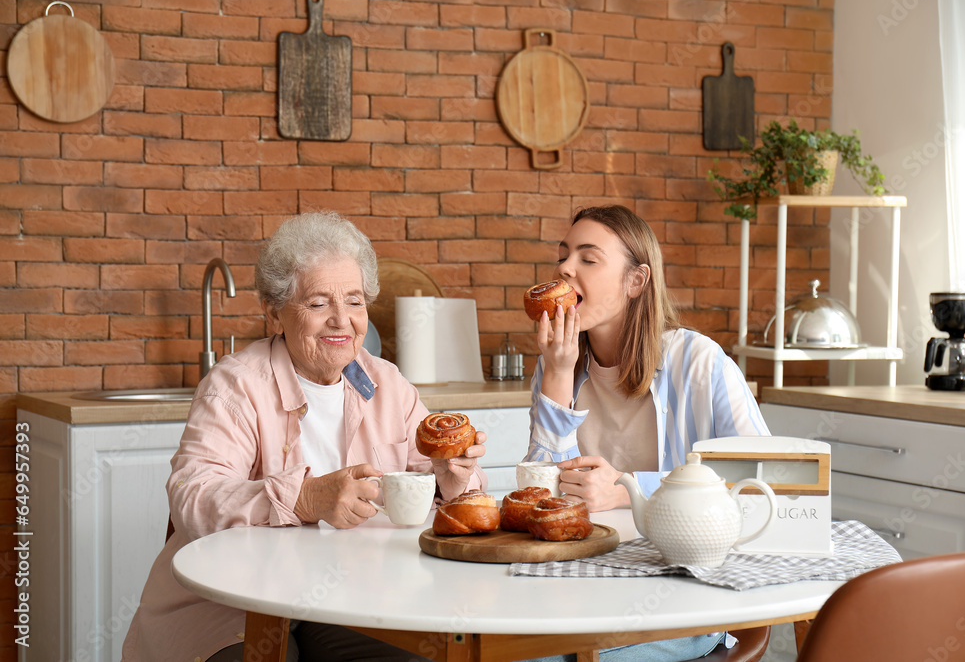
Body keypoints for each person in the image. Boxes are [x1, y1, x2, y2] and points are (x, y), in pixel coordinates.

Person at [123, 212, 486, 662]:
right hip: (233, 601)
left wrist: (452, 483)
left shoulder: (388, 384)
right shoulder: (236, 385)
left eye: (354, 301)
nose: (342, 321)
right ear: (274, 313)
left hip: (351, 596)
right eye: (318, 304)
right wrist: (303, 499)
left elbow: (434, 486)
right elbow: (193, 495)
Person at [526, 204, 769, 661]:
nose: (564, 267)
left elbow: (762, 485)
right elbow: (544, 501)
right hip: (583, 588)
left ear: (636, 281)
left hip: (686, 598)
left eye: (587, 258)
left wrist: (628, 490)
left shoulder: (700, 363)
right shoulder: (555, 364)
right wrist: (557, 375)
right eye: (563, 255)